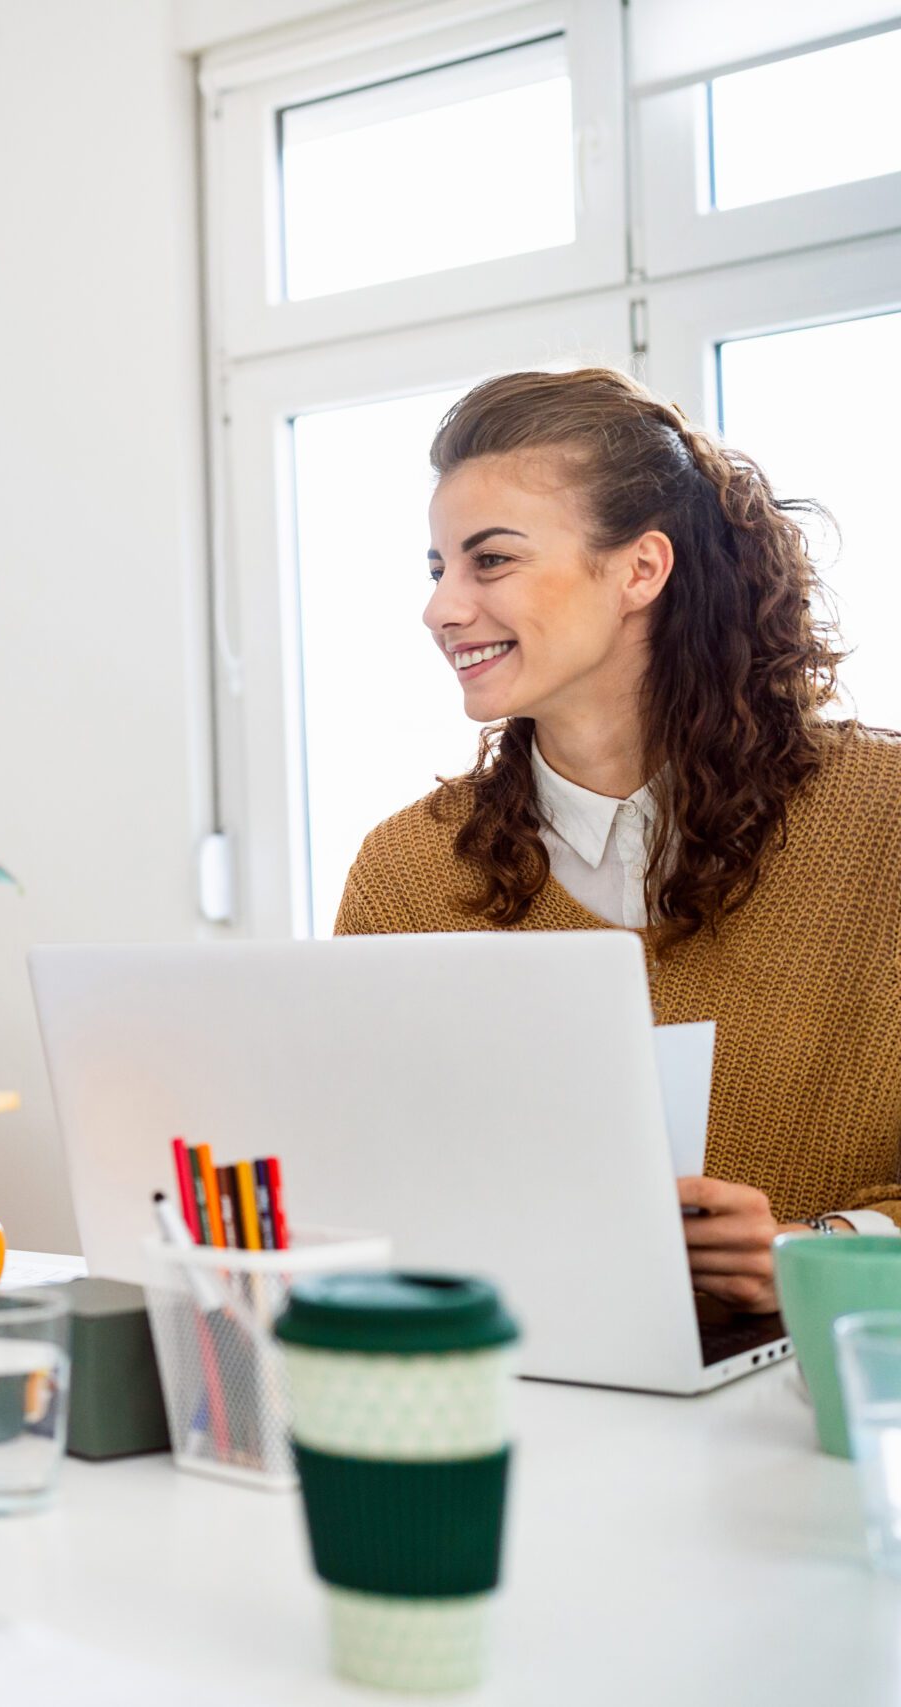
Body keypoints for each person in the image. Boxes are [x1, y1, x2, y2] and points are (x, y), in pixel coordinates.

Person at [335, 367, 901, 1315]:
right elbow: (361, 1187)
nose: (442, 608)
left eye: (492, 561)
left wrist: (819, 1251)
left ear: (640, 569)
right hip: (524, 1406)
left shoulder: (882, 822)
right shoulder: (406, 874)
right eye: (439, 570)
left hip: (825, 1417)